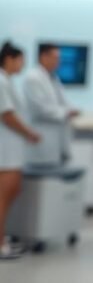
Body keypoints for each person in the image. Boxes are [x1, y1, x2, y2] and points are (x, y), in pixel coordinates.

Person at [0, 42, 42, 260]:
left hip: (11, 151)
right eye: (20, 61)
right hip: (5, 152)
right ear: (9, 59)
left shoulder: (6, 81)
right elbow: (7, 115)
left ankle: (3, 240)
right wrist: (29, 132)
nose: (22, 65)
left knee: (9, 194)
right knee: (2, 198)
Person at [24, 43, 79, 167]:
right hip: (42, 137)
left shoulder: (53, 78)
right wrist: (66, 112)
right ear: (43, 56)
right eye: (56, 58)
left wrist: (71, 109)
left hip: (56, 139)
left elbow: (62, 101)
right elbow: (40, 109)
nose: (58, 61)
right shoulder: (33, 78)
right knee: (43, 179)